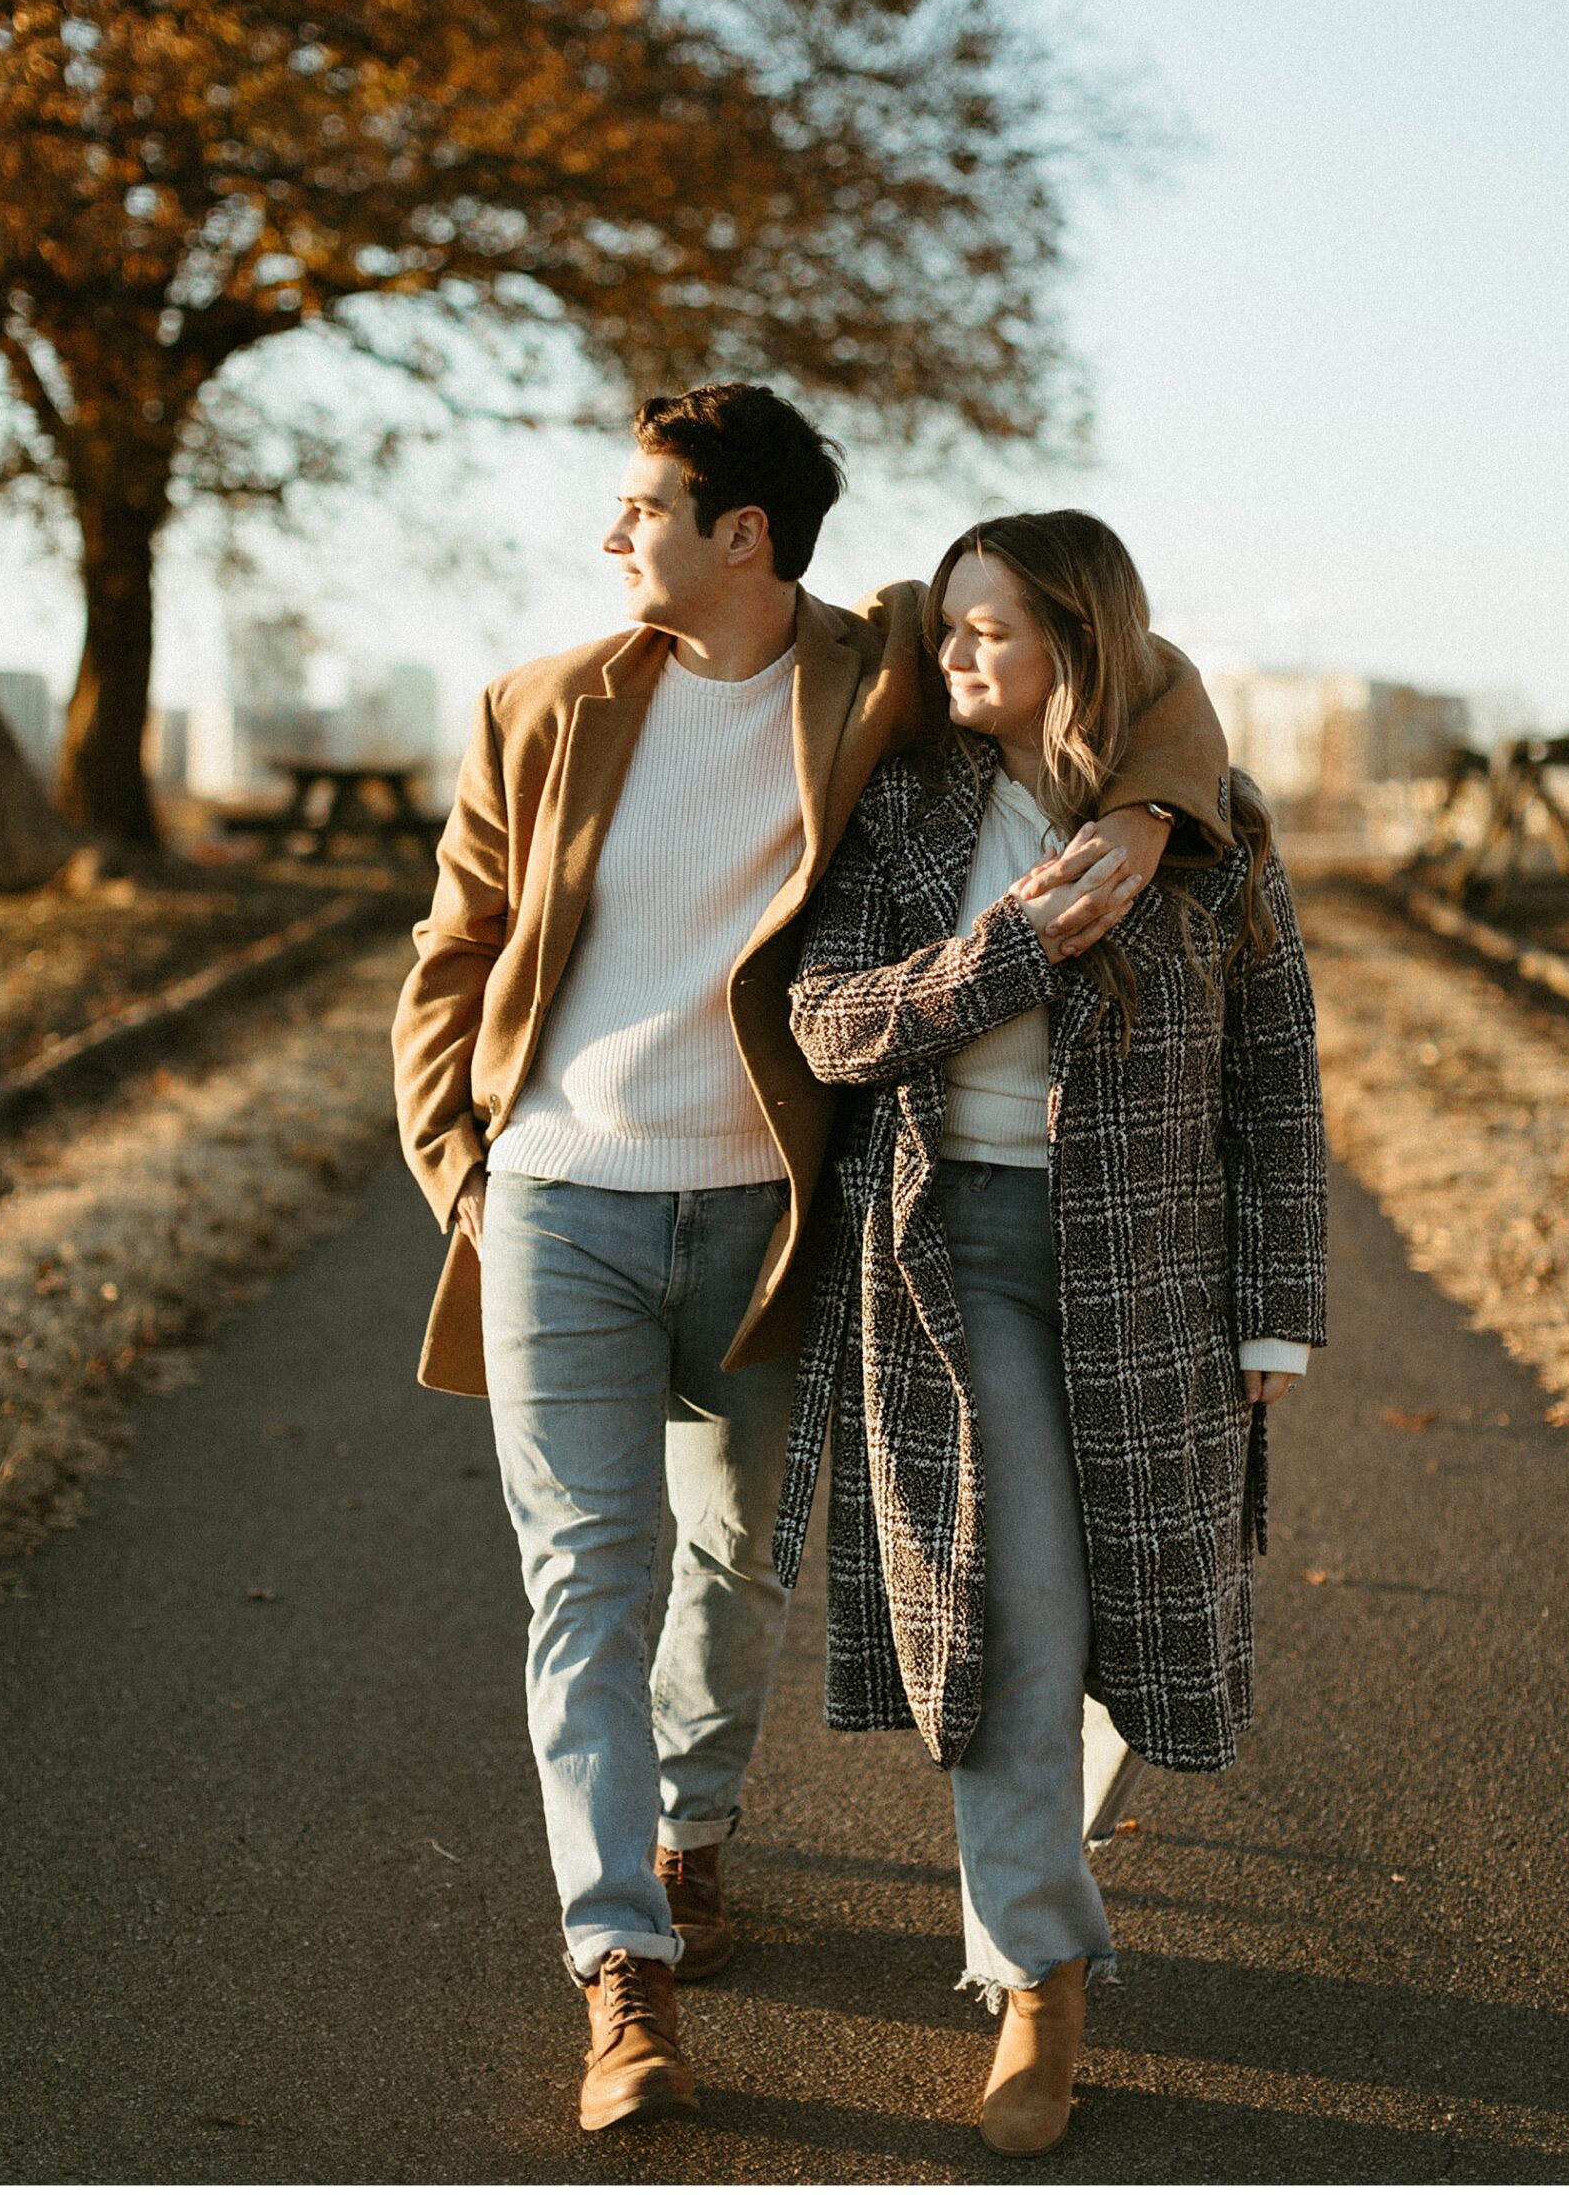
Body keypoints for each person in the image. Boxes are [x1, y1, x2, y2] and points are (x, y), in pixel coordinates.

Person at [392, 388, 1234, 2133]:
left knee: (733, 1564)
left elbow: (1138, 671)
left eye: (640, 510)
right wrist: (458, 1162)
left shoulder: (890, 672)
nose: (611, 537)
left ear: (743, 535)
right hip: (558, 1198)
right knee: (588, 1585)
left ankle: (692, 1837)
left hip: (780, 1219)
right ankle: (620, 1967)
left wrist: (1150, 820)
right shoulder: (542, 705)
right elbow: (454, 946)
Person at [773, 508, 1327, 2158]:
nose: (951, 655)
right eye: (945, 624)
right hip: (957, 1260)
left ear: (1075, 638)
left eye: (985, 628)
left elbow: (1273, 1076)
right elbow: (825, 1019)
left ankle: (1031, 1897)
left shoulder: (1215, 826)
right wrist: (1000, 950)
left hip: (1150, 1267)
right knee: (1014, 1606)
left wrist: (1275, 1314)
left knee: (1110, 1618)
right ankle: (1037, 1976)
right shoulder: (910, 807)